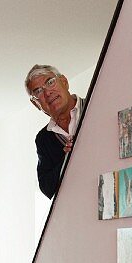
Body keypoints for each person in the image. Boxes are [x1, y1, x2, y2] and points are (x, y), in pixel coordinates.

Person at [25, 65, 84, 199]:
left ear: (64, 81)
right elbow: (47, 188)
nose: (47, 93)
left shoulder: (96, 104)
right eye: (38, 91)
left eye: (50, 82)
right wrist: (67, 157)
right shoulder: (43, 138)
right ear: (36, 104)